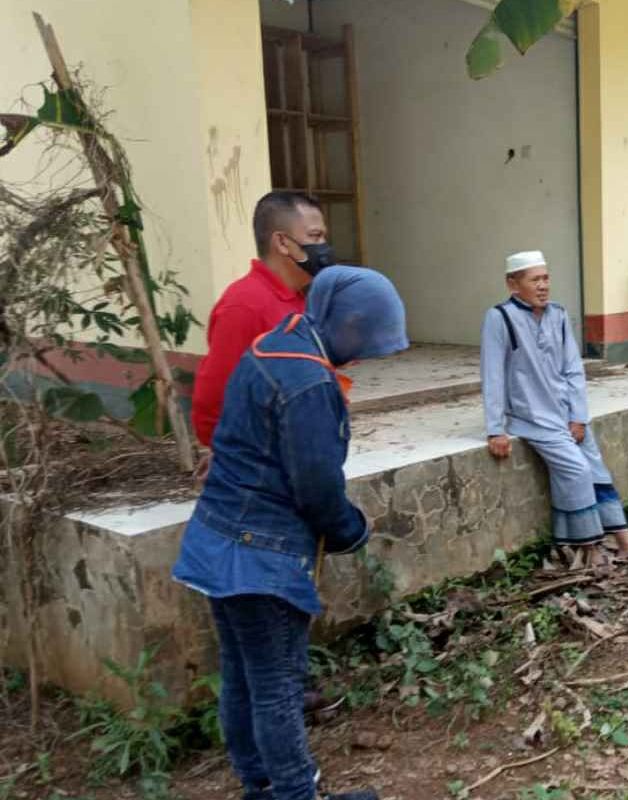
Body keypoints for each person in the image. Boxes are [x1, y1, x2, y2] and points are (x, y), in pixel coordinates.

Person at [172, 267, 408, 800]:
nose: (366, 356)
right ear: (346, 321)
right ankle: (297, 794)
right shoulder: (307, 381)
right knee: (277, 688)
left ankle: (260, 786)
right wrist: (351, 529)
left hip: (217, 536)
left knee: (242, 676)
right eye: (367, 340)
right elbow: (316, 485)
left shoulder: (272, 346)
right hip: (263, 554)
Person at [481, 250, 628, 568]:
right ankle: (591, 550)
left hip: (566, 414)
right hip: (530, 417)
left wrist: (578, 416)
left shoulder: (558, 315)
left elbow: (573, 369)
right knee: (576, 472)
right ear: (512, 284)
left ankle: (625, 542)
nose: (543, 286)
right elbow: (492, 374)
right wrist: (496, 428)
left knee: (597, 470)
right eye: (535, 279)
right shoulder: (500, 318)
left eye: (546, 278)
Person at [190, 191, 337, 456]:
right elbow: (214, 397)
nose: (324, 245)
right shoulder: (245, 305)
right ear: (282, 242)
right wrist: (231, 458)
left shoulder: (301, 302)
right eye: (315, 237)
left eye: (324, 236)